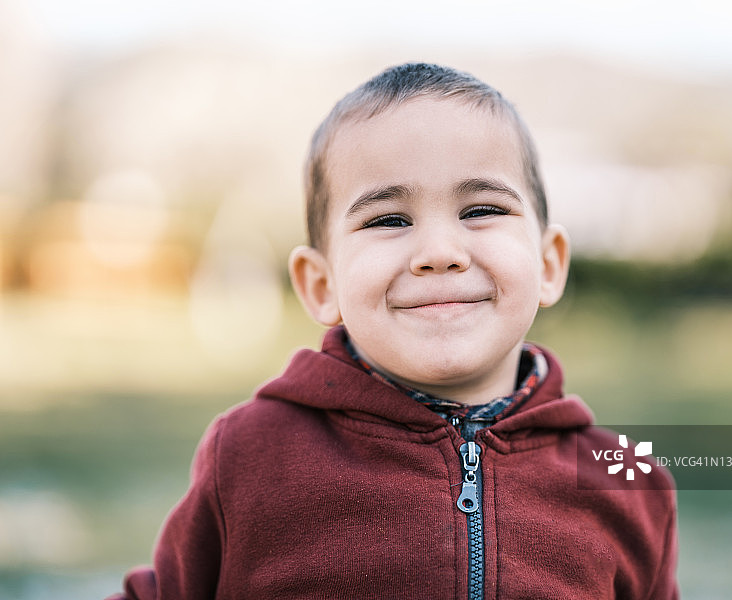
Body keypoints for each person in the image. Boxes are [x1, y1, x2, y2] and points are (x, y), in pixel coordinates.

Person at [107, 62, 678, 600]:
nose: (439, 253)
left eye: (481, 209)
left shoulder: (628, 482)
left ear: (549, 265)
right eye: (388, 220)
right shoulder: (250, 455)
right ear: (321, 283)